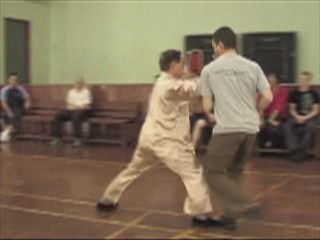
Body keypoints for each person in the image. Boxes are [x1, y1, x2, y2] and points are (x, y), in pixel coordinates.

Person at [96, 50, 235, 229]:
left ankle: (107, 199)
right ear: (172, 66)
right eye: (181, 64)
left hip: (149, 139)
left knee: (132, 170)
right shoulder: (168, 86)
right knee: (193, 173)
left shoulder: (164, 82)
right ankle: (200, 215)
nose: (184, 67)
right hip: (166, 142)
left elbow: (187, 93)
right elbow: (193, 88)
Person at [199, 27, 273, 218]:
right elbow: (268, 96)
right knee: (235, 171)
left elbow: (207, 105)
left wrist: (211, 114)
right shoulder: (253, 66)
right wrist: (258, 110)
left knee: (212, 172)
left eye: (214, 47)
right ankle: (230, 217)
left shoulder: (209, 70)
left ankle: (245, 203)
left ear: (220, 45)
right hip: (250, 128)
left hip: (227, 129)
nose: (214, 51)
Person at [284, 71, 319, 162]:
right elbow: (292, 109)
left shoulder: (314, 94)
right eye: (301, 79)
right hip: (296, 116)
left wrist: (305, 118)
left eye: (305, 80)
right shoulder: (294, 93)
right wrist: (297, 117)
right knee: (287, 125)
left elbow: (316, 110)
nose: (303, 82)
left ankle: (303, 151)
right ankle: (294, 149)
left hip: (310, 117)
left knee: (310, 126)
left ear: (309, 81)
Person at [50, 78, 92, 147]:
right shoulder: (71, 92)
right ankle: (58, 138)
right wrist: (75, 107)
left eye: (79, 83)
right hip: (71, 110)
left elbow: (86, 105)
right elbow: (69, 104)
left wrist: (76, 107)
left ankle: (77, 139)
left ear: (82, 84)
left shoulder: (86, 92)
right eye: (76, 83)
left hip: (83, 111)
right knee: (58, 115)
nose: (78, 85)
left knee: (75, 117)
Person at [258, 73, 288, 148]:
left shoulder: (282, 91)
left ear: (276, 80)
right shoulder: (264, 91)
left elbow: (279, 107)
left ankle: (271, 145)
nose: (270, 81)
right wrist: (261, 119)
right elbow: (261, 106)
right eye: (268, 80)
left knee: (275, 128)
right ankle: (265, 146)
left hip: (279, 116)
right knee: (260, 126)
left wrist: (270, 120)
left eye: (272, 79)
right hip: (266, 116)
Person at [0, 73, 31, 142]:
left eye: (15, 80)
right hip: (8, 107)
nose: (13, 82)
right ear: (9, 80)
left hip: (18, 107)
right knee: (4, 116)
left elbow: (27, 97)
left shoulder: (20, 89)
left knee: (16, 116)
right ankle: (7, 132)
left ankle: (6, 133)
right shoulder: (5, 90)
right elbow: (3, 102)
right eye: (12, 80)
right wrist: (8, 111)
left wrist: (27, 103)